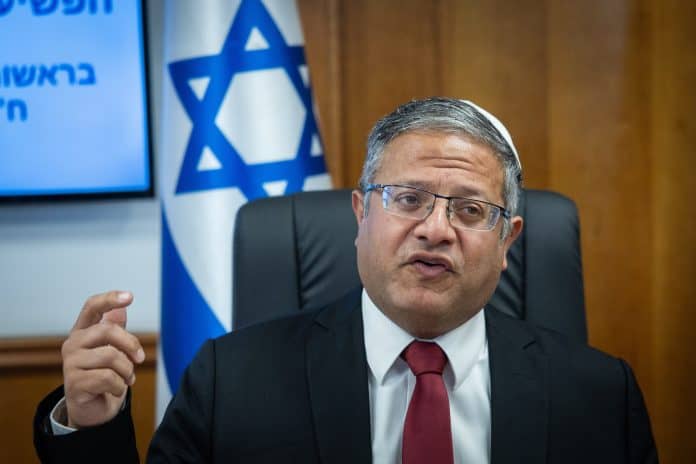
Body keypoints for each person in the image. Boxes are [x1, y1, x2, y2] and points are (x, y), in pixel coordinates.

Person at [34, 97, 658, 463]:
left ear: (507, 243)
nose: (436, 230)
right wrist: (91, 427)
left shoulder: (600, 397)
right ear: (361, 215)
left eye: (470, 210)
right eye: (408, 198)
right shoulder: (232, 381)